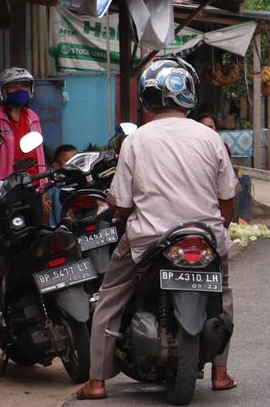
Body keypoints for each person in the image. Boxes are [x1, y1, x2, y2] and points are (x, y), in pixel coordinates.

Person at [75, 59, 238, 400]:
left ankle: (97, 382)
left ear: (148, 99)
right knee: (222, 292)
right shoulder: (210, 137)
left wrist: (122, 210)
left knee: (110, 297)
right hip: (205, 237)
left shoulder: (137, 140)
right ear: (189, 97)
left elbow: (120, 203)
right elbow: (228, 198)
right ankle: (220, 373)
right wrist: (220, 226)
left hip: (149, 239)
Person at [0, 68, 46, 181]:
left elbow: (39, 151)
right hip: (8, 183)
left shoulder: (33, 117)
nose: (20, 90)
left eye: (24, 85)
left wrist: (43, 181)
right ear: (3, 91)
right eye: (13, 87)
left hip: (33, 180)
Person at [48, 144, 78, 227]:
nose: (73, 165)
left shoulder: (87, 182)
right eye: (68, 162)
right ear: (57, 166)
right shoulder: (53, 188)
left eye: (76, 160)